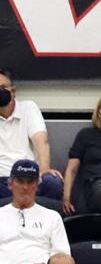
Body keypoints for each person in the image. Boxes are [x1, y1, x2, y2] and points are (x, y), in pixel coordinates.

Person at [0, 69, 64, 201]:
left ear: (13, 92)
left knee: (53, 183)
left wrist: (45, 168)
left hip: (30, 176)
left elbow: (42, 142)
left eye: (3, 88)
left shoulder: (28, 108)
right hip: (3, 180)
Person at [0, 160, 72, 264]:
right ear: (10, 184)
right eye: (20, 181)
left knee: (64, 261)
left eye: (30, 182)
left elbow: (63, 255)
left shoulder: (52, 217)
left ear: (37, 185)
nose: (25, 187)